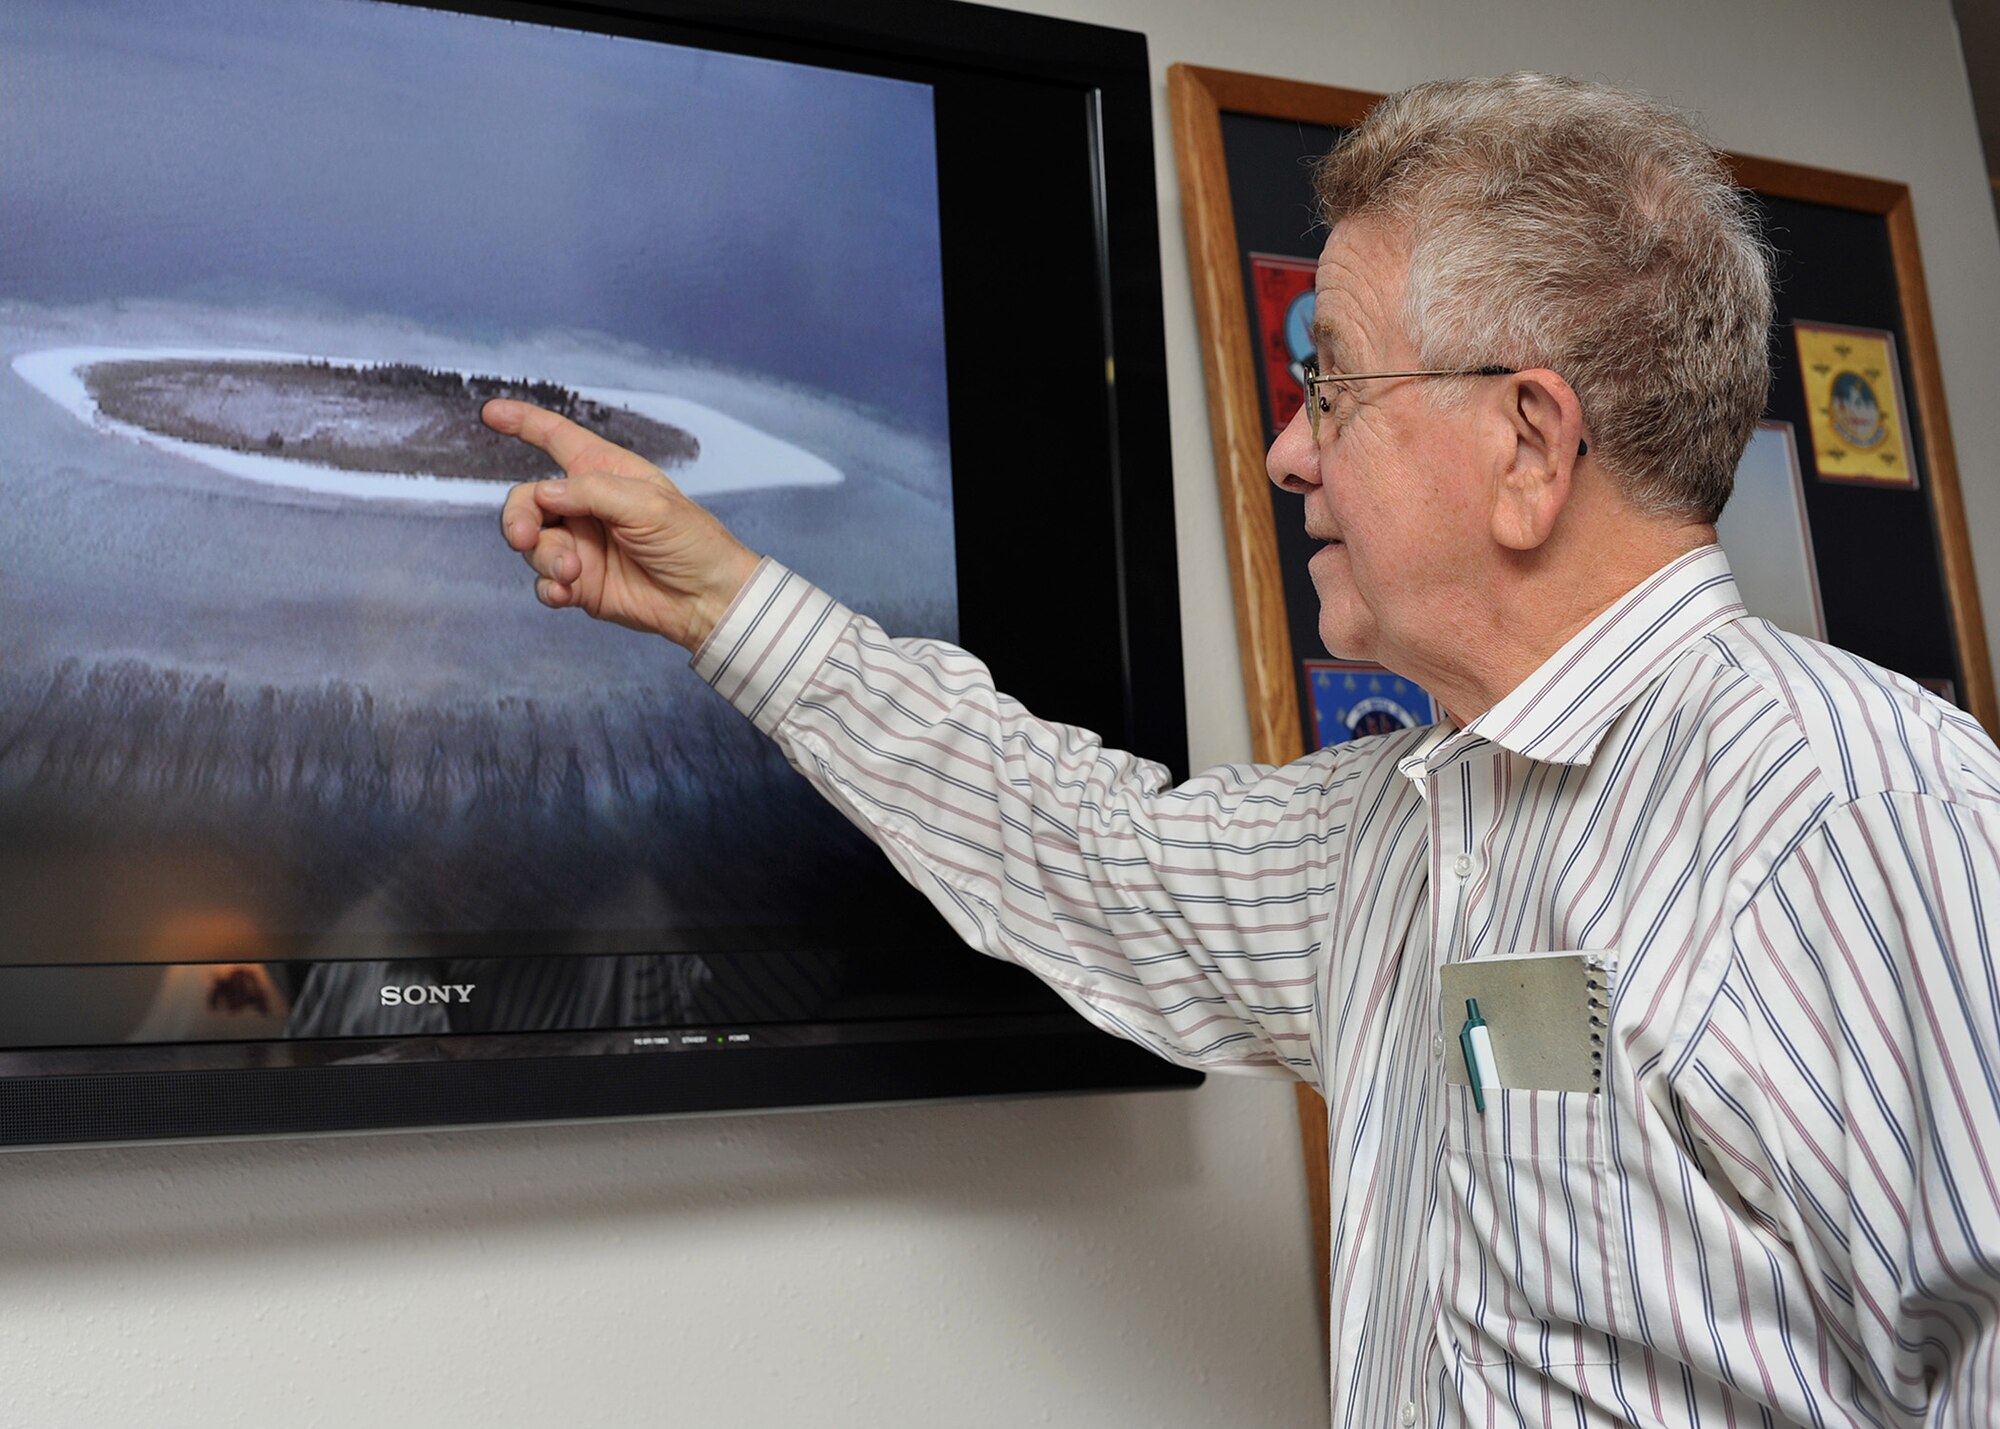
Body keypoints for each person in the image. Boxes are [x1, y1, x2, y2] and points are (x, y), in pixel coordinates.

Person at [488, 73, 2000, 1429]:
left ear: (1531, 447)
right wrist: (728, 604)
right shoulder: (1401, 826)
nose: (1290, 449)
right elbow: (1086, 850)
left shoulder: (1866, 821)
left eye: (1331, 383)